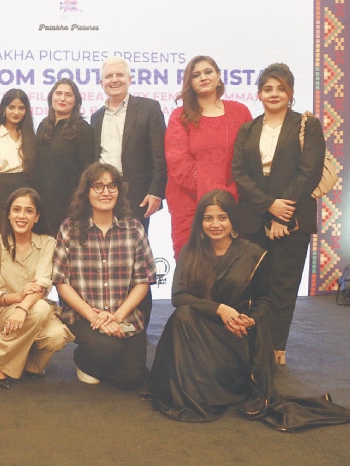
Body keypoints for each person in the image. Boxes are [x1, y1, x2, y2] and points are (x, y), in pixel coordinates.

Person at [147, 190, 350, 429]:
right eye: (208, 218)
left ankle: (218, 385)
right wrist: (220, 309)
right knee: (183, 316)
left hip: (237, 334)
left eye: (222, 217)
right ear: (200, 222)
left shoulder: (252, 254)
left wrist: (250, 320)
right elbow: (179, 297)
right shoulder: (191, 252)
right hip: (200, 330)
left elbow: (264, 299)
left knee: (190, 319)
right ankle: (199, 391)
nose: (215, 224)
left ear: (233, 219)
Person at [232, 63, 326, 366]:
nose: (274, 94)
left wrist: (281, 214)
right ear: (259, 93)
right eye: (268, 88)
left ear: (291, 92)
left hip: (293, 219)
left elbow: (308, 172)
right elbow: (240, 174)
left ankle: (276, 348)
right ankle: (254, 343)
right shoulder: (248, 128)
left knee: (283, 286)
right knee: (256, 285)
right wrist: (268, 207)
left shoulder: (307, 126)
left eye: (280, 88)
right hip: (254, 219)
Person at [52, 163, 155, 389]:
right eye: (98, 186)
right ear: (86, 192)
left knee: (133, 379)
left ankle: (106, 363)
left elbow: (143, 281)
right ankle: (83, 361)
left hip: (125, 317)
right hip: (84, 316)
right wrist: (94, 317)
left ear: (119, 191)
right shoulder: (69, 228)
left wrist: (117, 316)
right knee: (108, 347)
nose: (105, 192)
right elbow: (61, 282)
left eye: (111, 186)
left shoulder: (134, 228)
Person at [0, 188, 73, 388]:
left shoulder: (48, 243)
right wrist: (19, 298)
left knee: (57, 336)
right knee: (41, 308)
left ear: (37, 217)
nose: (21, 216)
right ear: (8, 214)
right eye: (16, 210)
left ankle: (15, 357)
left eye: (29, 211)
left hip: (32, 310)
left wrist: (23, 308)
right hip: (3, 312)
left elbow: (42, 284)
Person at [165, 55, 252, 257]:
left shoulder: (239, 111)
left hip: (234, 202)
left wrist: (228, 198)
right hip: (190, 203)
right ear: (190, 82)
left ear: (219, 76)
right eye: (196, 75)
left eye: (208, 72)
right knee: (193, 267)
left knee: (231, 266)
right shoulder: (180, 115)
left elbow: (249, 157)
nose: (203, 77)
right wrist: (217, 197)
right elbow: (178, 163)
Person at [91, 57, 167, 233]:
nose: (114, 80)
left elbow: (160, 155)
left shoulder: (149, 108)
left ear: (130, 79)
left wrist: (156, 192)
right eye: (109, 76)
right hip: (103, 192)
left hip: (137, 195)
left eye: (120, 75)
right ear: (102, 83)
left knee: (135, 249)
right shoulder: (96, 117)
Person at [30, 79, 95, 235]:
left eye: (68, 95)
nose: (62, 98)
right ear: (51, 97)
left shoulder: (83, 129)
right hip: (41, 203)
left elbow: (88, 171)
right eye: (58, 93)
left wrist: (79, 204)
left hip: (69, 205)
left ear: (76, 101)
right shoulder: (43, 126)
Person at [0, 89, 36, 232]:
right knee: (1, 244)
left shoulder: (31, 137)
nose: (16, 112)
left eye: (21, 108)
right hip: (1, 198)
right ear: (4, 109)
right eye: (11, 107)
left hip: (26, 197)